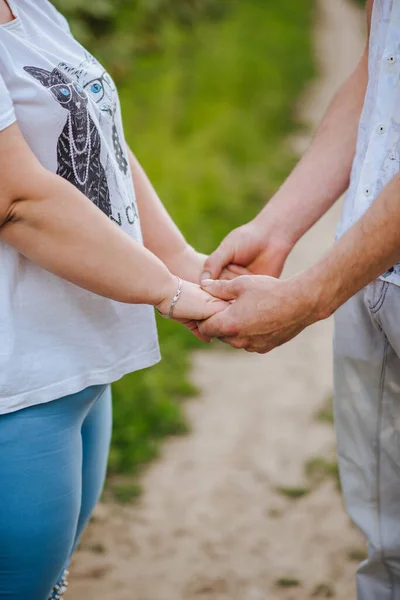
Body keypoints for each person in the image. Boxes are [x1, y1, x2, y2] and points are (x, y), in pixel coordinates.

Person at [0, 1, 235, 597]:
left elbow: (102, 139)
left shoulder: (31, 7)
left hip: (78, 359)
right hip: (15, 381)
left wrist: (182, 261)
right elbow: (15, 200)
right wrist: (172, 293)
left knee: (49, 583)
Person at [198, 0, 400, 597]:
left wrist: (310, 296)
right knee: (387, 545)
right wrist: (278, 226)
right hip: (370, 271)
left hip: (356, 270)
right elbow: (379, 65)